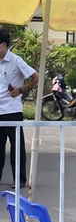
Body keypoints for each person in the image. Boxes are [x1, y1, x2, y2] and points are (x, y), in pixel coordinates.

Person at [0, 28, 39, 189]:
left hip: (12, 111)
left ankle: (20, 179)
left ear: (3, 45)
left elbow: (35, 77)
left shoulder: (16, 61)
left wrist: (21, 90)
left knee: (16, 147)